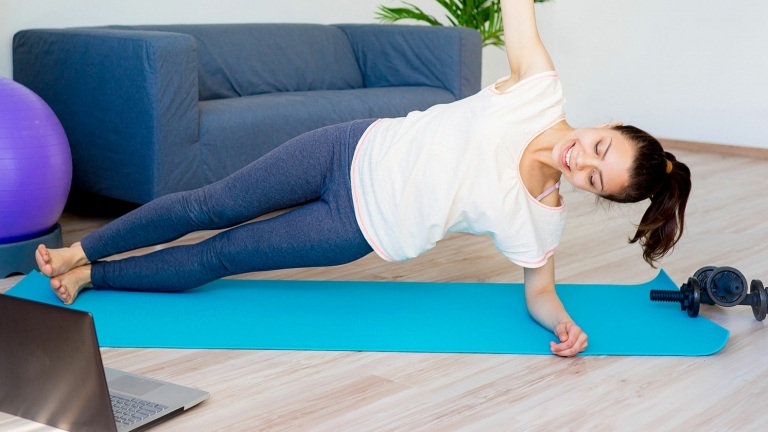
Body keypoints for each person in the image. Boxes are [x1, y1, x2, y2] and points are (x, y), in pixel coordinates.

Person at [35, 0, 690, 358]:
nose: (582, 159)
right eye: (599, 146)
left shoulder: (541, 217)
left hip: (353, 226)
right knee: (207, 203)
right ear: (609, 124)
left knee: (223, 252)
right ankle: (79, 249)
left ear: (595, 195)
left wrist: (563, 325)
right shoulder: (539, 90)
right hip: (347, 148)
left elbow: (539, 292)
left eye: (596, 177)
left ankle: (95, 275)